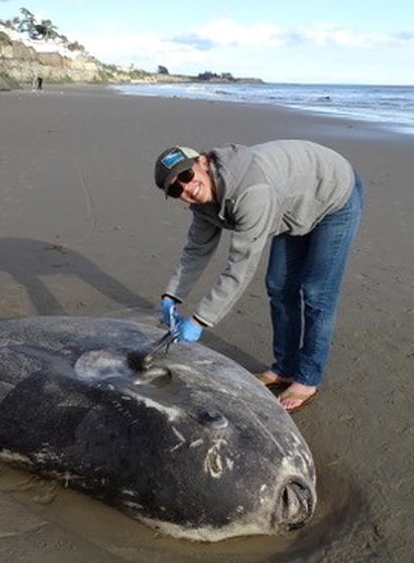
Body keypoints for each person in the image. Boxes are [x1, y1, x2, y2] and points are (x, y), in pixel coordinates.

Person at [154, 140, 364, 413]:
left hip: (334, 195)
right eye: (175, 188)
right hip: (293, 205)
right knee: (278, 285)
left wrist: (198, 321)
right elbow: (197, 250)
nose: (186, 188)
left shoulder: (252, 192)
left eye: (186, 175)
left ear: (204, 163)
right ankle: (285, 368)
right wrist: (172, 295)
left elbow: (240, 266)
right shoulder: (202, 202)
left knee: (316, 293)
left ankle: (307, 378)